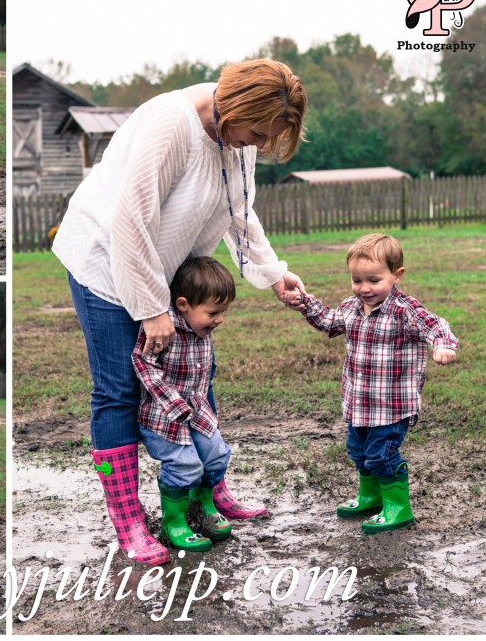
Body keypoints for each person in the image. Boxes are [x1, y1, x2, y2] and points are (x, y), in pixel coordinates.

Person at [52, 58, 308, 563]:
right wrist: (150, 309)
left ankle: (206, 496)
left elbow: (238, 208)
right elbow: (131, 219)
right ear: (233, 105)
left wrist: (273, 271)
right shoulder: (173, 124)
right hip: (106, 262)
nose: (256, 144)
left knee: (194, 375)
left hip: (168, 269)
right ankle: (128, 520)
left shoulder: (237, 137)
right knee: (118, 391)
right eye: (255, 132)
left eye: (266, 137)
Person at [292, 234, 458, 534]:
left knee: (381, 455)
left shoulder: (404, 310)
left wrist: (443, 345)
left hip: (392, 407)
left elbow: (435, 325)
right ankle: (370, 496)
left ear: (397, 275)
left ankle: (398, 507)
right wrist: (305, 303)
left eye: (373, 279)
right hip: (360, 403)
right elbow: (329, 322)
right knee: (358, 451)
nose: (364, 288)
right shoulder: (352, 307)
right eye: (357, 280)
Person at [131, 257, 237, 558]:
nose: (219, 320)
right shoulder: (163, 329)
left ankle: (201, 507)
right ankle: (173, 522)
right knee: (185, 463)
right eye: (214, 313)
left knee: (216, 455)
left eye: (223, 312)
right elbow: (143, 362)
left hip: (197, 412)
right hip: (164, 417)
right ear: (183, 304)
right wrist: (172, 401)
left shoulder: (201, 326)